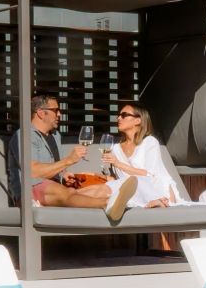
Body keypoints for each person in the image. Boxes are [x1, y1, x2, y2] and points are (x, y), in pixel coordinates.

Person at [103, 102, 206, 210]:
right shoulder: (115, 148)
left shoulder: (149, 142)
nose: (118, 118)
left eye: (124, 115)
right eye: (119, 115)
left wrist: (119, 164)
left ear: (138, 120)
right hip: (131, 193)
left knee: (139, 182)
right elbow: (114, 179)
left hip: (156, 189)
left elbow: (151, 175)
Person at [7, 94, 135, 219]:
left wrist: (63, 176)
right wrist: (69, 160)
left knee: (97, 190)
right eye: (55, 110)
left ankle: (124, 202)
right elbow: (32, 172)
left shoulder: (55, 136)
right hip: (29, 189)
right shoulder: (24, 136)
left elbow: (53, 169)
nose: (59, 114)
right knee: (69, 194)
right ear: (41, 113)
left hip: (52, 189)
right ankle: (107, 204)